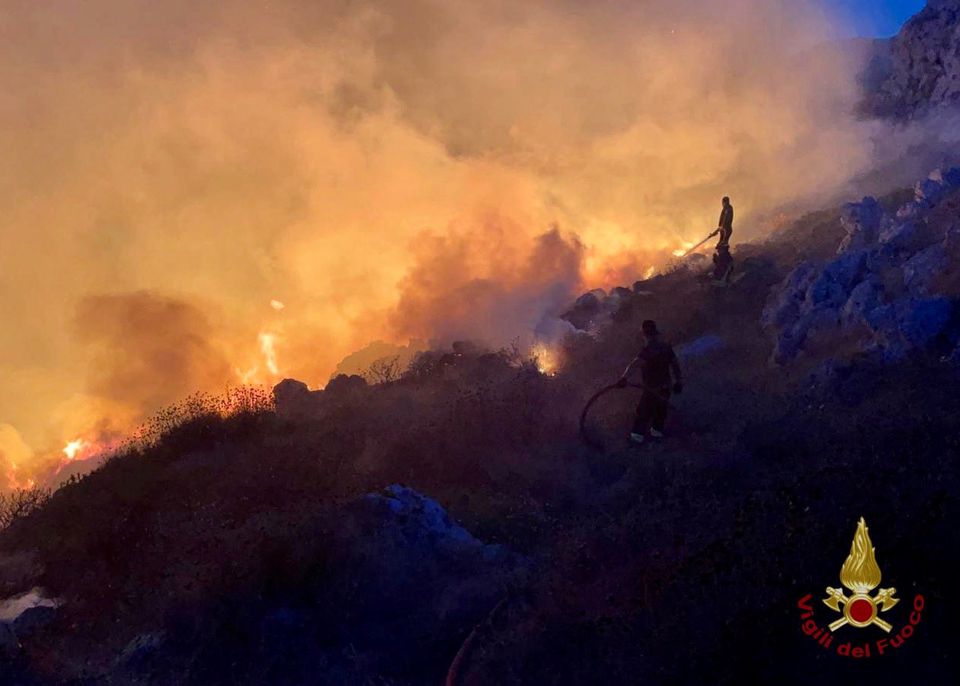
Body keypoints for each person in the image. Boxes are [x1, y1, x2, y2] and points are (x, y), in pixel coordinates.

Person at [617, 320, 682, 444]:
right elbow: (675, 365)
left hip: (652, 389)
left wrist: (624, 378)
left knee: (643, 413)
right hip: (665, 388)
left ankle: (636, 442)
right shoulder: (666, 347)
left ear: (645, 335)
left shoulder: (648, 350)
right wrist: (678, 382)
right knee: (660, 414)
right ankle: (657, 439)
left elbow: (634, 365)